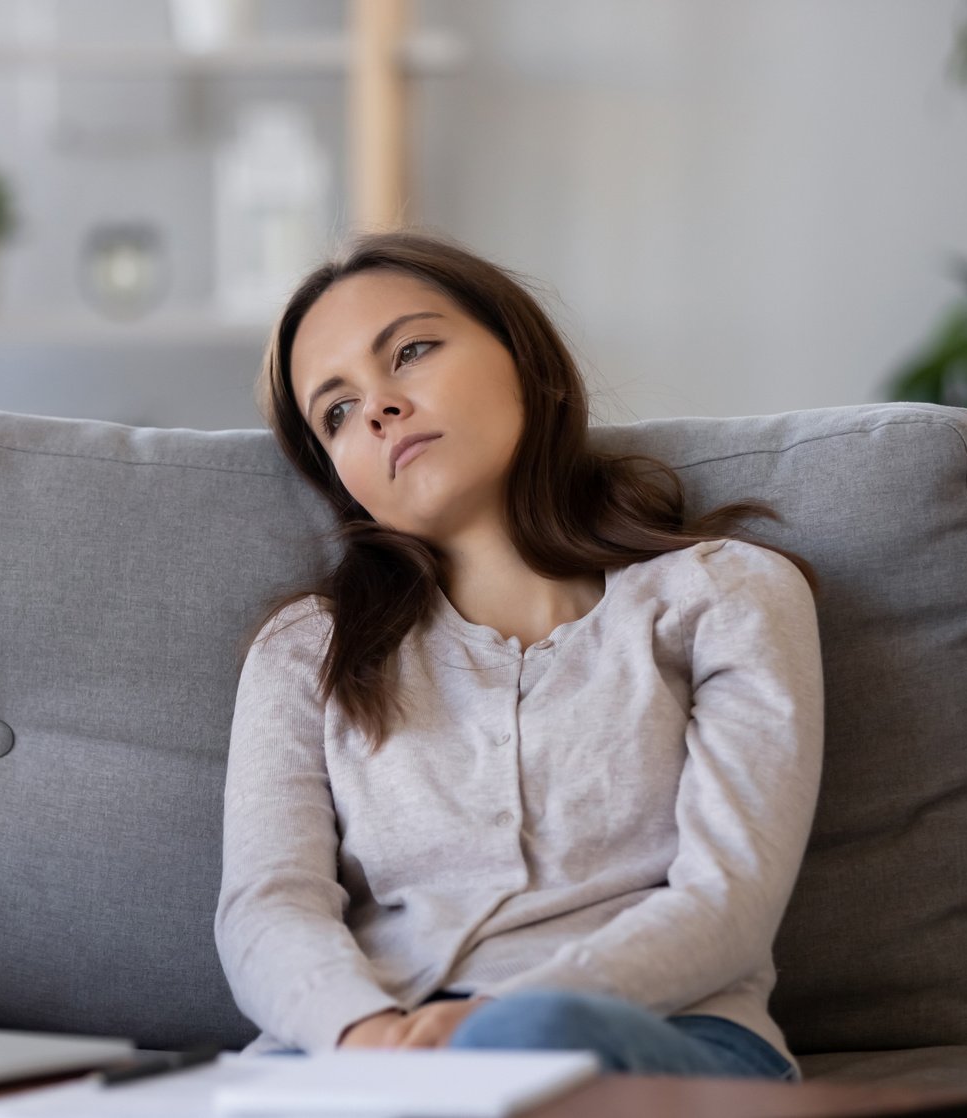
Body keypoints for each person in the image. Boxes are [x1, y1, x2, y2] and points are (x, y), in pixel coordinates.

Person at [213, 228, 824, 1082]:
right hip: (358, 1054)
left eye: (411, 352)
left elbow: (728, 901)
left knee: (524, 1047)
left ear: (523, 357)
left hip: (669, 1040)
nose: (379, 407)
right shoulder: (304, 652)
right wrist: (363, 1035)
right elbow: (265, 909)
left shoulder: (726, 595)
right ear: (337, 471)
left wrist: (489, 1029)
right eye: (337, 410)